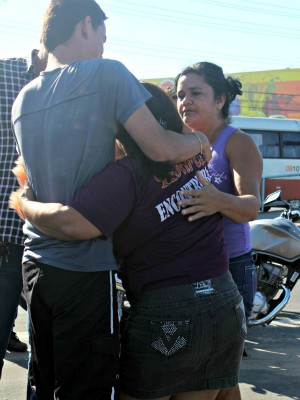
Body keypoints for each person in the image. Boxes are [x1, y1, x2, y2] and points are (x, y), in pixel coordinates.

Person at [11, 1, 210, 399]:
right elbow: (157, 146)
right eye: (103, 37)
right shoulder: (107, 73)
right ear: (87, 25)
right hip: (83, 271)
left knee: (43, 382)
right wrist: (198, 142)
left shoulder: (23, 100)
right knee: (87, 388)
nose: (103, 47)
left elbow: (32, 185)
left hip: (34, 268)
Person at [11, 82, 246, 400]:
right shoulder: (190, 155)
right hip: (224, 301)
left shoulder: (128, 173)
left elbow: (69, 223)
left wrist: (25, 203)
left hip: (168, 309)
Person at [174, 61, 263, 400]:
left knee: (213, 369)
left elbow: (251, 206)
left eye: (196, 93)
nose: (186, 102)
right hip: (186, 269)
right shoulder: (178, 142)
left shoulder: (236, 143)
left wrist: (215, 199)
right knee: (218, 375)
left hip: (229, 270)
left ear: (220, 100)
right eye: (180, 95)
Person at [0, 48, 47, 386]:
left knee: (49, 349)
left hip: (50, 242)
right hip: (8, 238)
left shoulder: (77, 92)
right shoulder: (6, 77)